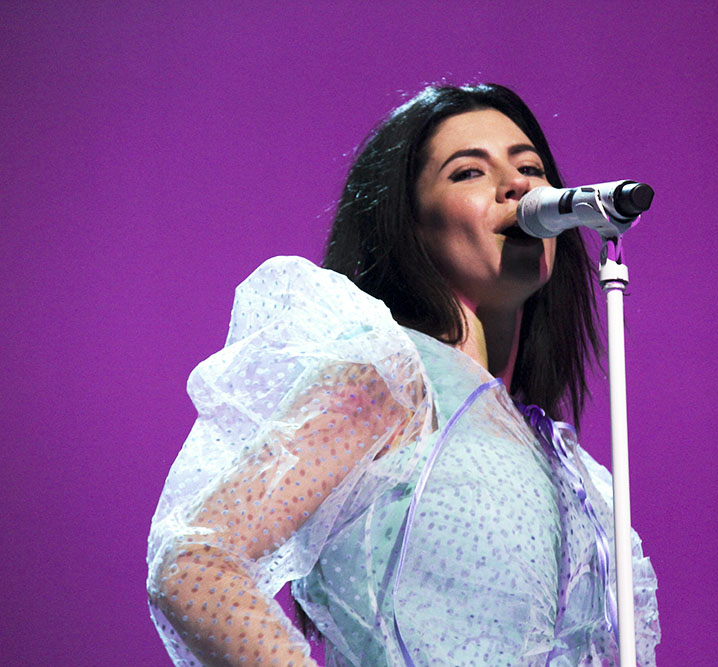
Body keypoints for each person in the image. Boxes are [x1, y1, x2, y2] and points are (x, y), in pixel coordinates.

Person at [147, 83, 660, 666]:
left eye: (531, 167)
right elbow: (196, 562)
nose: (519, 185)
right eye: (468, 172)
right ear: (410, 226)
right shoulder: (390, 379)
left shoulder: (571, 468)